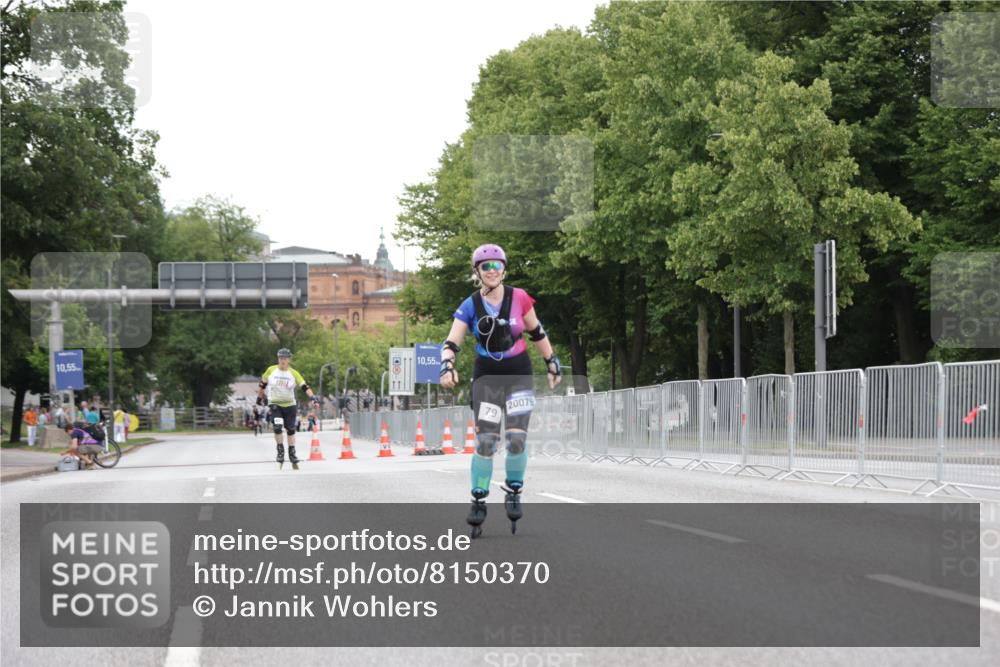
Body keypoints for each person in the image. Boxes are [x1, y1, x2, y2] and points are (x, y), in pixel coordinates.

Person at [440, 244, 561, 537]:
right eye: (486, 267)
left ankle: (514, 489)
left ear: (504, 269)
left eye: (496, 266)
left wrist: (551, 362)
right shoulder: (469, 305)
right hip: (488, 379)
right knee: (486, 441)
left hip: (518, 374)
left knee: (517, 438)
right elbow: (451, 342)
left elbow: (537, 332)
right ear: (477, 272)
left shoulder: (519, 297)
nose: (492, 271)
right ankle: (479, 498)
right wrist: (447, 366)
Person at [257, 348, 321, 469]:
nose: (282, 361)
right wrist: (259, 398)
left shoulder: (293, 373)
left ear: (289, 360)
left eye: (285, 358)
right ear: (278, 359)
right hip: (275, 404)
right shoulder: (271, 370)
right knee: (277, 427)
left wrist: (313, 398)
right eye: (280, 358)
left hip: (290, 405)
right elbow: (262, 385)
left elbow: (305, 386)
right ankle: (280, 452)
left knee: (291, 430)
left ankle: (292, 454)